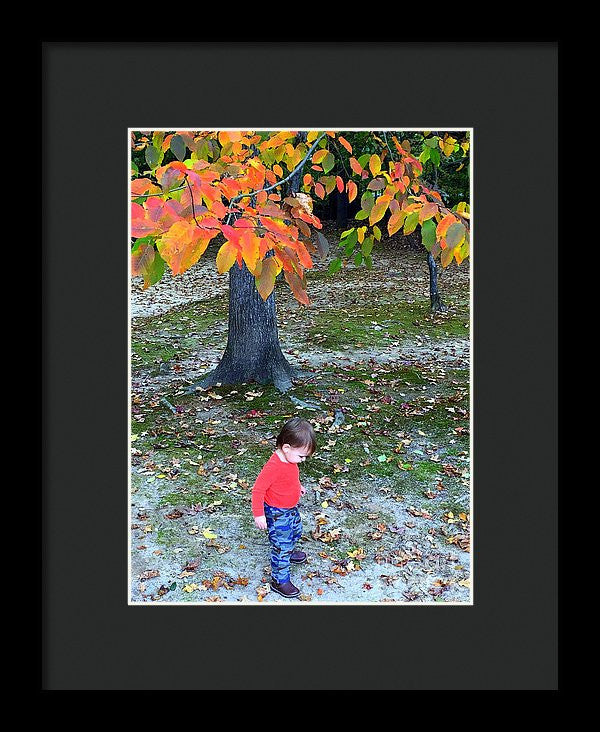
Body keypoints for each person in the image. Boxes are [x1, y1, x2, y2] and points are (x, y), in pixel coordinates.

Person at [251, 417, 316, 598]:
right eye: (301, 456)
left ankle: (289, 550)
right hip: (277, 513)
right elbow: (258, 490)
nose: (302, 460)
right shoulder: (273, 466)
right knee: (281, 545)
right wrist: (259, 515)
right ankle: (279, 580)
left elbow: (291, 477)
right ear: (286, 448)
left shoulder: (290, 460)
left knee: (296, 531)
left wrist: (298, 486)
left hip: (290, 508)